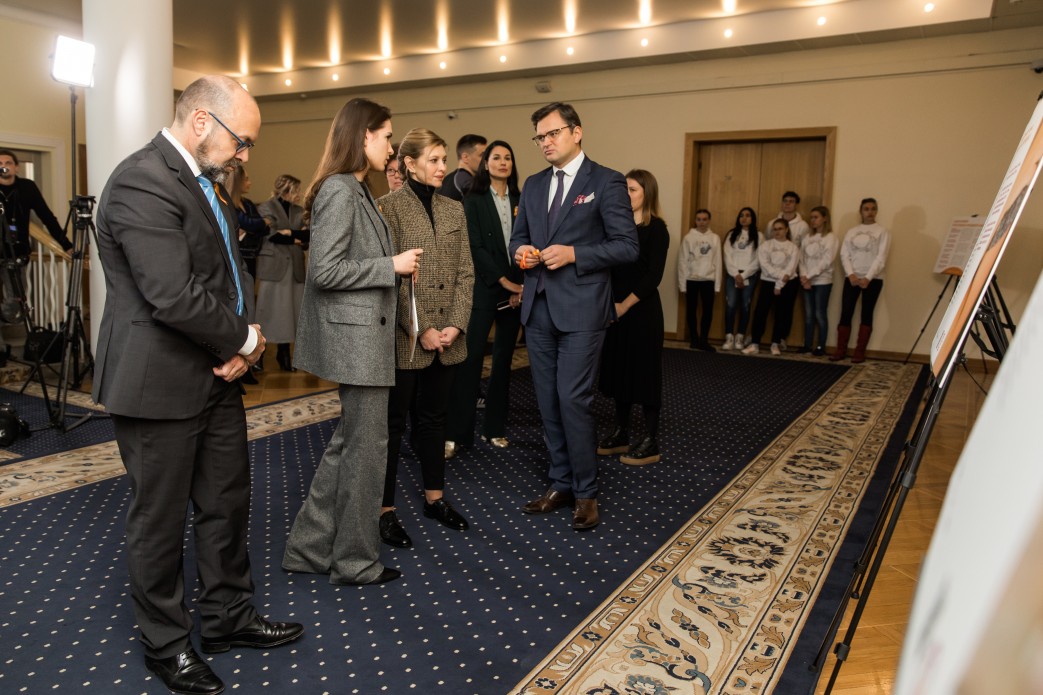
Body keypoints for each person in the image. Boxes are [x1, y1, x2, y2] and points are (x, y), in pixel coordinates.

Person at [92, 75, 303, 695]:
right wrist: (246, 343)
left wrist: (241, 343)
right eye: (242, 141)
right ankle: (166, 645)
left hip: (216, 375)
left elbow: (226, 277)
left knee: (226, 502)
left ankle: (228, 618)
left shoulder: (207, 184)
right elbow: (171, 294)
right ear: (202, 121)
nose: (244, 154)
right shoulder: (141, 180)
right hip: (158, 381)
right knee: (159, 520)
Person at [282, 97, 420, 585]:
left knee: (350, 446)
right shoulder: (341, 190)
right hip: (357, 342)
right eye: (387, 137)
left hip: (364, 338)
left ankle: (308, 547)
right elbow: (325, 271)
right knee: (365, 452)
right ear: (363, 136)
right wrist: (391, 266)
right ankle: (355, 561)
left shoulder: (355, 188)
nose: (392, 148)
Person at [510, 102, 639, 532]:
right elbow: (518, 239)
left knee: (573, 399)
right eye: (540, 137)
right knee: (548, 402)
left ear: (576, 132)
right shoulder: (532, 185)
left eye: (553, 133)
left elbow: (627, 246)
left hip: (582, 309)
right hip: (538, 308)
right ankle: (561, 483)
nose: (545, 142)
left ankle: (586, 492)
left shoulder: (606, 180)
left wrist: (575, 254)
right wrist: (521, 253)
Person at [378, 127, 474, 549]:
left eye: (443, 159)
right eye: (433, 160)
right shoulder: (387, 208)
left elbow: (466, 272)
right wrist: (421, 329)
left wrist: (456, 324)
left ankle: (435, 499)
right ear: (409, 164)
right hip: (406, 338)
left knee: (435, 420)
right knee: (393, 425)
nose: (442, 167)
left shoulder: (454, 208)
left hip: (448, 338)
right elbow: (389, 279)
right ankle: (384, 510)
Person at [444, 140, 523, 460]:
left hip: (516, 290)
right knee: (470, 360)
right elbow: (474, 246)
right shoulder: (473, 200)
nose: (503, 162)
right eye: (496, 157)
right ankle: (455, 434)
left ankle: (494, 428)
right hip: (485, 287)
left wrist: (520, 285)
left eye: (508, 157)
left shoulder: (521, 200)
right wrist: (503, 280)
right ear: (485, 164)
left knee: (504, 361)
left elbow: (529, 243)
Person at [596, 169, 669, 466]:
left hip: (642, 311)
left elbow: (653, 276)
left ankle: (650, 439)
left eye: (632, 190)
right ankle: (621, 432)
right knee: (619, 372)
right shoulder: (616, 228)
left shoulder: (657, 229)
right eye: (623, 189)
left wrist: (623, 306)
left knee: (645, 374)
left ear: (646, 194)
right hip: (614, 310)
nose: (626, 195)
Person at [0, 149, 74, 363]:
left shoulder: (27, 188)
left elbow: (47, 216)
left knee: (17, 302)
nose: (3, 166)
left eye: (7, 162)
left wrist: (66, 245)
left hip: (16, 254)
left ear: (16, 167)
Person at [257, 174, 308, 371]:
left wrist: (291, 235)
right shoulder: (266, 207)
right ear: (287, 190)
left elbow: (308, 234)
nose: (299, 194)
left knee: (290, 312)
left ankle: (284, 352)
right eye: (297, 190)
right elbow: (271, 235)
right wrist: (295, 238)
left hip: (295, 266)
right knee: (268, 311)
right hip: (274, 267)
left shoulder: (299, 211)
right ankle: (258, 355)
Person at [832, 197, 890, 363]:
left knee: (867, 314)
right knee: (846, 312)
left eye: (873, 209)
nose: (869, 212)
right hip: (852, 278)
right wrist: (851, 274)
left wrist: (868, 277)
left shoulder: (882, 232)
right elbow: (844, 254)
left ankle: (859, 352)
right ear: (861, 211)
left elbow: (881, 257)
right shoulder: (852, 231)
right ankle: (841, 350)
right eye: (866, 209)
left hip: (873, 279)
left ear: (876, 211)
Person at [743, 218, 799, 355]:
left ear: (786, 230)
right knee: (760, 312)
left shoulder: (793, 247)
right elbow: (765, 266)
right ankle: (755, 343)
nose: (777, 232)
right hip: (768, 282)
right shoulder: (766, 245)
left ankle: (775, 343)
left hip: (787, 284)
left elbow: (790, 268)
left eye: (780, 229)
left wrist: (780, 285)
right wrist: (779, 278)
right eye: (775, 229)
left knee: (781, 313)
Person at [677, 208, 722, 351]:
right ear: (695, 221)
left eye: (704, 219)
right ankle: (694, 339)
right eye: (699, 219)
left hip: (708, 280)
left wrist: (717, 285)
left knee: (707, 311)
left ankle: (704, 340)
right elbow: (682, 262)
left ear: (709, 221)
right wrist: (682, 285)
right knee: (691, 310)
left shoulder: (715, 238)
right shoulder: (688, 238)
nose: (701, 222)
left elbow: (718, 261)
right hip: (692, 279)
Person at [798, 205, 838, 356]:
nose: (813, 220)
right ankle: (807, 345)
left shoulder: (830, 238)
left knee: (819, 313)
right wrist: (804, 276)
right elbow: (801, 259)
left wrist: (809, 276)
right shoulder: (807, 238)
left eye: (816, 217)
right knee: (809, 314)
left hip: (822, 280)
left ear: (824, 218)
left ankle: (821, 346)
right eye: (811, 218)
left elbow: (826, 261)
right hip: (806, 280)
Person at [721, 207, 761, 351]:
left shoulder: (759, 235)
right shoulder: (732, 234)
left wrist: (743, 276)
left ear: (752, 218)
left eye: (748, 215)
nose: (744, 218)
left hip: (749, 275)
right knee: (731, 305)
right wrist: (735, 274)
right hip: (732, 275)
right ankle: (729, 337)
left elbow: (758, 259)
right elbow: (727, 255)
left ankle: (740, 336)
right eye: (741, 215)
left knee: (745, 306)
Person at [437, 134, 487, 201]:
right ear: (465, 157)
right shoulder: (463, 179)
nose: (486, 159)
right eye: (482, 155)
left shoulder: (448, 179)